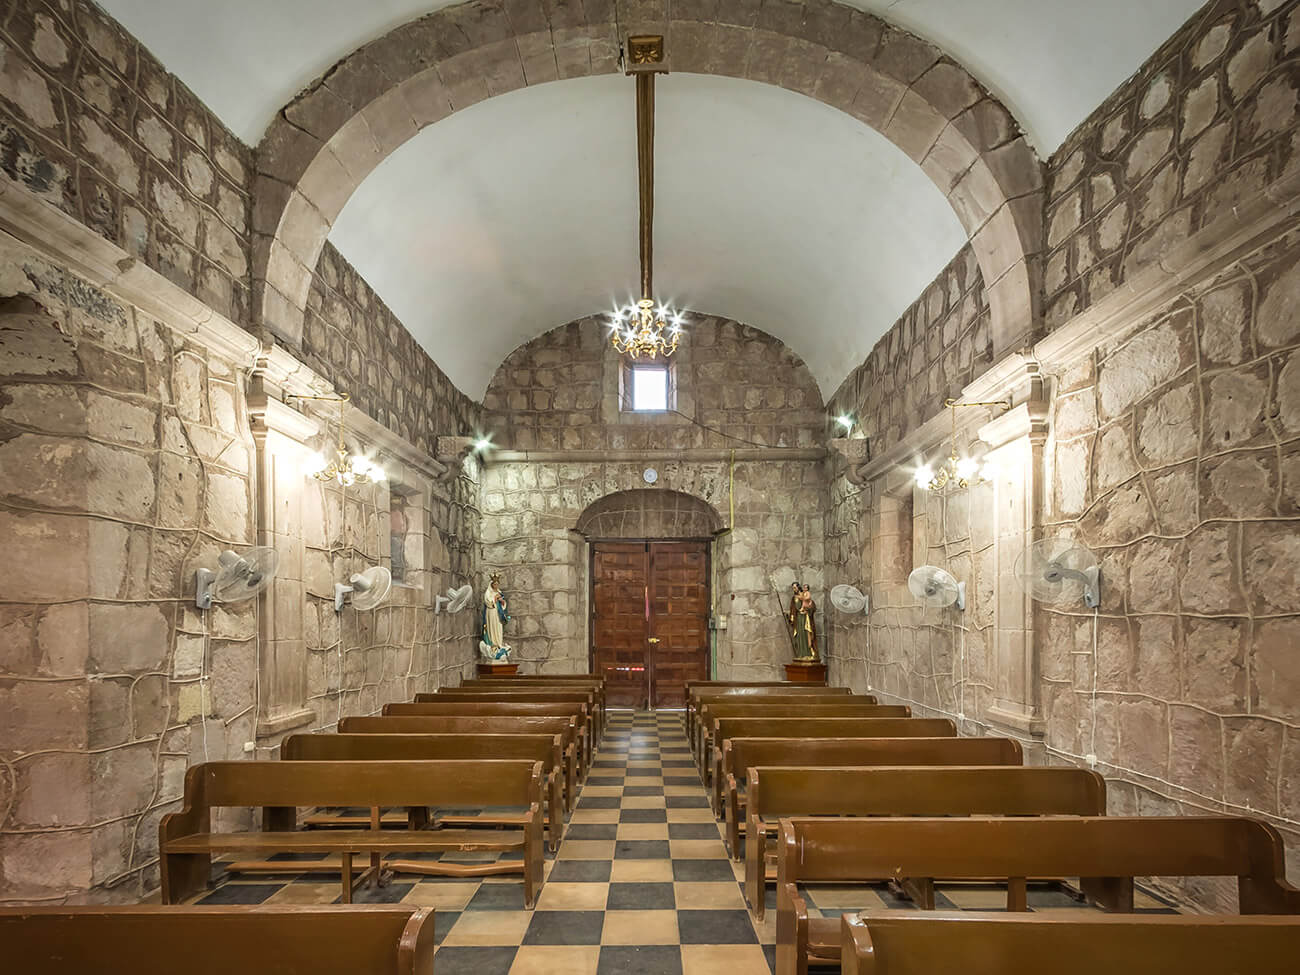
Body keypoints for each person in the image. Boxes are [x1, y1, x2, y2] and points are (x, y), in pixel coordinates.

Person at [480, 573, 512, 661]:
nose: (496, 586)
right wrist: (495, 598)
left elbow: (503, 605)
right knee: (492, 627)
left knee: (498, 627)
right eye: (494, 584)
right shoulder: (488, 592)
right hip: (491, 613)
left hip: (498, 614)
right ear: (491, 584)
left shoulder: (499, 592)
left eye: (497, 584)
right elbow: (488, 602)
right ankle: (493, 644)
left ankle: (499, 643)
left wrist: (502, 602)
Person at [787, 581, 819, 661]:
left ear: (798, 587)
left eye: (795, 587)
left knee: (806, 634)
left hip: (805, 618)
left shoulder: (804, 595)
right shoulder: (794, 598)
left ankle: (809, 653)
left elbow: (812, 605)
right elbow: (792, 609)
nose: (794, 589)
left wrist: (808, 609)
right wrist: (791, 617)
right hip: (798, 619)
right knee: (799, 636)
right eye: (793, 588)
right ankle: (801, 654)